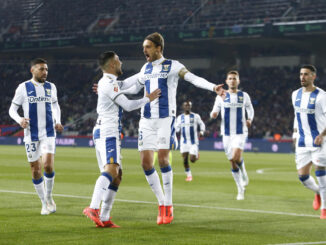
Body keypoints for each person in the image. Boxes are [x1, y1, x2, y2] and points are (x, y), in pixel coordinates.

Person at [105, 32, 224, 225]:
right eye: (144, 47)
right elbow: (131, 86)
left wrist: (213, 88)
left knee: (162, 159)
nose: (144, 50)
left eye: (148, 47)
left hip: (165, 119)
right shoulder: (145, 68)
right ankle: (161, 202)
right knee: (145, 163)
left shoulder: (172, 65)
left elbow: (193, 78)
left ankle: (168, 206)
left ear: (158, 48)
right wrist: (109, 85)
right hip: (146, 119)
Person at [83, 51, 161, 228]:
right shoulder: (108, 83)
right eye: (118, 60)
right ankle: (94, 207)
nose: (121, 62)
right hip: (107, 131)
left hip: (107, 131)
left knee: (117, 176)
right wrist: (147, 99)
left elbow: (127, 85)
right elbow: (128, 105)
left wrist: (145, 73)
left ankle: (104, 217)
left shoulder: (110, 82)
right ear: (112, 65)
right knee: (112, 170)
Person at [8, 58, 63, 215]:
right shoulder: (23, 87)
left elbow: (55, 105)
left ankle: (49, 197)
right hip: (31, 134)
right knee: (35, 169)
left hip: (48, 132)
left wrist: (58, 121)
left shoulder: (51, 87)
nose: (45, 72)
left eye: (46, 69)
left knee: (47, 165)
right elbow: (12, 109)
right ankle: (44, 202)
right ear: (32, 70)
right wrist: (20, 120)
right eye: (41, 69)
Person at [210, 70, 254, 200]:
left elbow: (250, 109)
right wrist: (213, 114)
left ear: (238, 81)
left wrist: (250, 119)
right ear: (226, 81)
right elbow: (215, 110)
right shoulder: (221, 96)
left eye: (235, 78)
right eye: (230, 78)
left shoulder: (244, 95)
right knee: (232, 162)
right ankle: (240, 189)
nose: (232, 80)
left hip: (240, 132)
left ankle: (244, 172)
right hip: (226, 133)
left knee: (236, 156)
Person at [292, 65, 326, 219]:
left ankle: (324, 209)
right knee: (303, 177)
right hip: (302, 141)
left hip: (320, 141)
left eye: (306, 74)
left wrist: (322, 134)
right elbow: (296, 116)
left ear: (313, 76)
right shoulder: (295, 94)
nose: (302, 77)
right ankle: (318, 192)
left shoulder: (322, 96)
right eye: (301, 74)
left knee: (320, 171)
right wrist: (294, 134)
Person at [175, 101, 205, 182]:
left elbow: (202, 124)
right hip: (183, 142)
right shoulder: (180, 117)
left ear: (191, 107)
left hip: (193, 142)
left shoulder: (195, 116)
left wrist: (202, 131)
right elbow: (177, 128)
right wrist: (174, 131)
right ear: (183, 107)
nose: (187, 107)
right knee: (184, 159)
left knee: (192, 159)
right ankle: (189, 175)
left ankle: (195, 155)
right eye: (186, 106)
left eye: (189, 106)